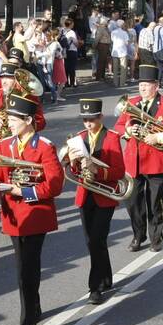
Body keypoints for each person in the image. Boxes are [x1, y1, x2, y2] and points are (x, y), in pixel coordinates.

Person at [0, 94, 64, 325]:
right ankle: (34, 307)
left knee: (26, 269)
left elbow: (55, 184)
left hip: (36, 215)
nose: (9, 123)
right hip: (14, 217)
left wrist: (22, 191)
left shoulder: (44, 146)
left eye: (13, 119)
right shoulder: (3, 146)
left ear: (27, 120)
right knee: (25, 267)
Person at [114, 64, 163, 252]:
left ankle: (156, 237)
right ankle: (138, 235)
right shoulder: (132, 103)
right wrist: (129, 131)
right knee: (133, 203)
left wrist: (158, 136)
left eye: (146, 85)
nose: (142, 88)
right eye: (140, 85)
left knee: (154, 202)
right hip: (134, 161)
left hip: (157, 162)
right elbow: (119, 126)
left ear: (156, 86)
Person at [63, 99, 126, 305]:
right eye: (85, 120)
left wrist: (96, 169)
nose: (88, 124)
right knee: (93, 241)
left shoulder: (111, 138)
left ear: (100, 117)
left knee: (97, 239)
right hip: (85, 195)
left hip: (104, 195)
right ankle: (106, 277)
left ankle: (95, 287)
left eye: (92, 119)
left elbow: (118, 172)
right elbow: (73, 171)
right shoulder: (79, 138)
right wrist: (72, 161)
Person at [0, 57, 46, 150]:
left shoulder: (30, 96)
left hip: (22, 142)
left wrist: (22, 124)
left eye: (8, 78)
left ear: (17, 79)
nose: (4, 81)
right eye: (2, 77)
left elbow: (41, 122)